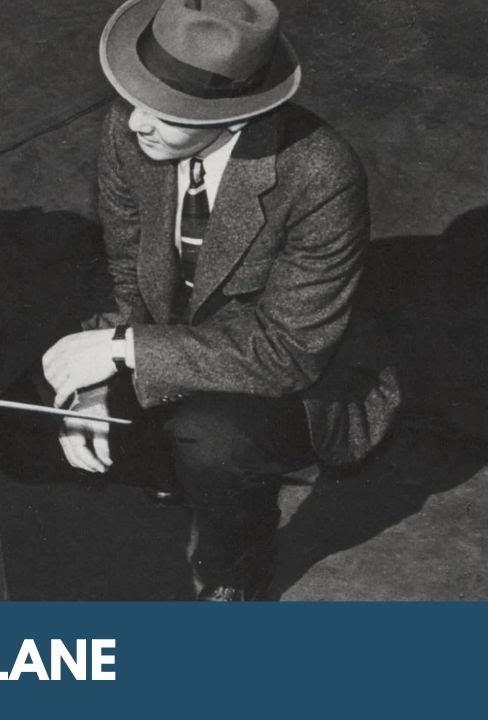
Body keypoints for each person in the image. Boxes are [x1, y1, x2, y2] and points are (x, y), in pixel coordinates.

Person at [42, 0, 400, 600]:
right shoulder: (131, 127)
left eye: (166, 114)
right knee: (41, 396)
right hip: (176, 341)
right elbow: (126, 272)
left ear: (232, 120)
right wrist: (92, 386)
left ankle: (237, 574)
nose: (137, 123)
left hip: (294, 374)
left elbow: (288, 352)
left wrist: (122, 350)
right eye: (136, 98)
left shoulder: (322, 174)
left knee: (212, 441)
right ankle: (173, 465)